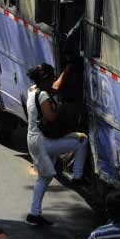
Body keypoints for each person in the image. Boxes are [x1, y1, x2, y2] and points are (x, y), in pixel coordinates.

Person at [25, 64, 87, 227]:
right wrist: (61, 109)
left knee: (44, 177)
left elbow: (56, 87)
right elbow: (51, 117)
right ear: (44, 80)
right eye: (51, 77)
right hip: (44, 142)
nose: (53, 80)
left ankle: (34, 213)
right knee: (82, 140)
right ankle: (77, 177)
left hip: (35, 139)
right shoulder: (43, 95)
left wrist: (65, 72)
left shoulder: (32, 90)